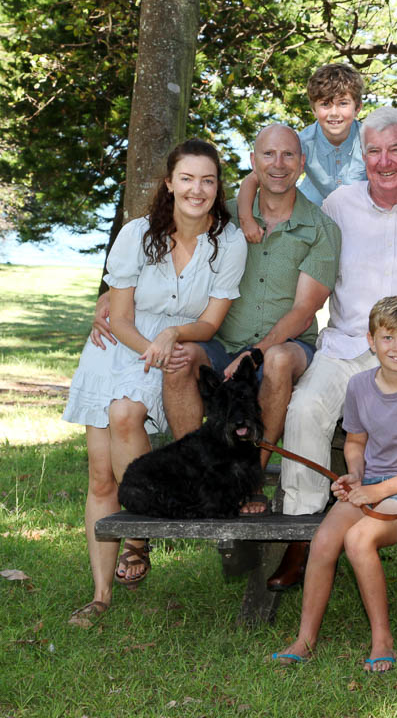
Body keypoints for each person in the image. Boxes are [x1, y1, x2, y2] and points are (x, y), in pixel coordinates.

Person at [267, 106, 397, 598]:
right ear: (362, 154)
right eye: (373, 150)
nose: (385, 161)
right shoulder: (339, 205)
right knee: (306, 409)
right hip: (349, 343)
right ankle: (304, 530)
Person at [63, 139, 247, 624]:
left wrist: (171, 336)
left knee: (126, 412)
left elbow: (209, 323)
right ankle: (101, 594)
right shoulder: (137, 234)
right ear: (169, 183)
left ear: (217, 187)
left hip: (168, 350)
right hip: (120, 348)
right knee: (100, 477)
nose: (197, 189)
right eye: (187, 178)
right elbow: (119, 316)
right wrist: (151, 347)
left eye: (207, 180)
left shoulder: (227, 241)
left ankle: (140, 535)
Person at [159, 124, 340, 515]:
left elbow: (303, 311)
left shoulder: (322, 229)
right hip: (223, 343)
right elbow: (160, 242)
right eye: (268, 155)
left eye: (289, 155)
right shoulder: (223, 215)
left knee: (275, 361)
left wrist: (255, 353)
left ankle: (248, 483)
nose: (279, 164)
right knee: (180, 358)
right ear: (254, 163)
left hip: (289, 346)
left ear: (302, 164)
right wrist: (112, 298)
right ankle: (202, 475)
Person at [272, 296, 397, 673]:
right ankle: (305, 639)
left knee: (359, 539)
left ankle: (382, 639)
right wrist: (354, 475)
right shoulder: (357, 386)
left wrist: (379, 490)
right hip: (371, 483)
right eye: (387, 338)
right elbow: (355, 443)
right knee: (323, 541)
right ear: (371, 341)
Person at [234, 63, 397, 234]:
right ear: (313, 108)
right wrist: (246, 220)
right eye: (325, 104)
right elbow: (254, 178)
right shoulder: (301, 142)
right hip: (313, 215)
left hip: (359, 218)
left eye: (343, 103)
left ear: (358, 107)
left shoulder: (370, 140)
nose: (334, 113)